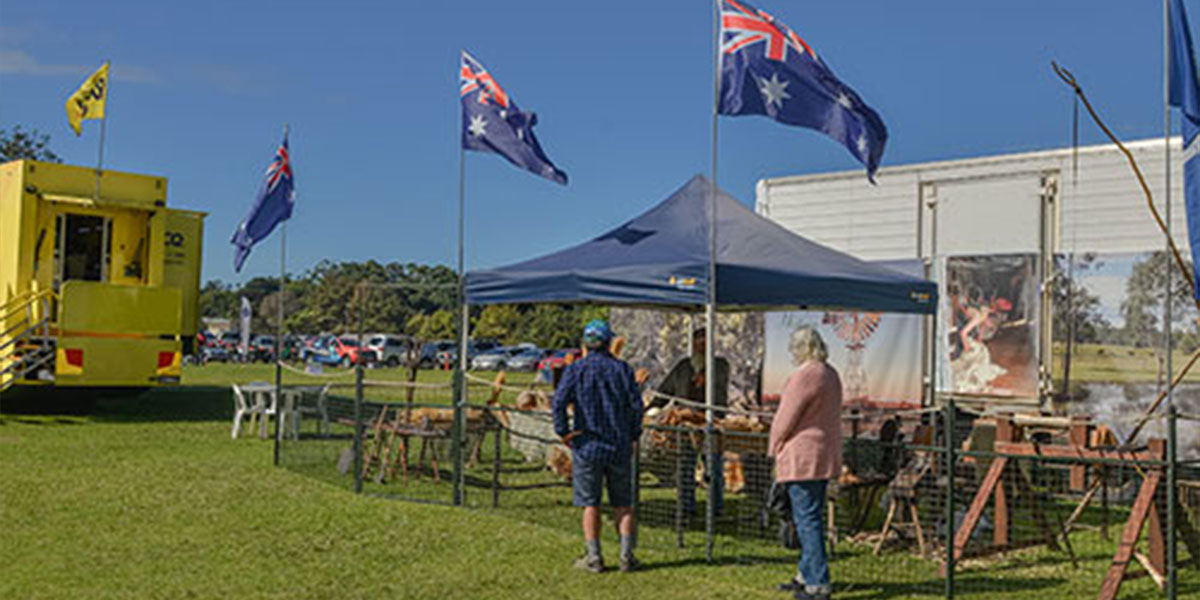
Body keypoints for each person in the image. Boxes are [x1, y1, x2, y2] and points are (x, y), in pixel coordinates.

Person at [553, 319, 643, 573]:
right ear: (608, 342)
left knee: (590, 502)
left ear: (585, 343)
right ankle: (626, 556)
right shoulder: (622, 370)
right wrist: (634, 434)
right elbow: (636, 407)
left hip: (587, 445)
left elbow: (558, 402)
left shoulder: (575, 370)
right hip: (618, 444)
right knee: (623, 503)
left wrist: (564, 433)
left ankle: (594, 557)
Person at [769, 327, 842, 600]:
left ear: (800, 348)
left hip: (802, 456)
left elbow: (785, 419)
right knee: (810, 516)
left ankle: (818, 583)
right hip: (823, 455)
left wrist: (774, 445)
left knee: (807, 520)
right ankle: (805, 574)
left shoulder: (804, 375)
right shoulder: (831, 373)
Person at [654, 327, 729, 516]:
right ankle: (686, 508)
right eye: (698, 342)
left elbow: (720, 390)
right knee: (685, 467)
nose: (702, 346)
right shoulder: (683, 367)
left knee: (713, 469)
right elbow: (665, 391)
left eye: (706, 342)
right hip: (685, 426)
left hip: (709, 424)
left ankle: (715, 509)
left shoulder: (719, 365)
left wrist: (707, 377)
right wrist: (652, 407)